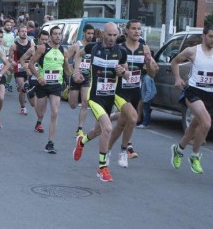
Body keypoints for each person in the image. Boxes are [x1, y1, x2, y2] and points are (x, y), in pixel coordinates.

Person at [170, 24, 213, 174]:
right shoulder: (192, 51)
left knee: (193, 127)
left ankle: (178, 149)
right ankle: (195, 155)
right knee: (206, 123)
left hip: (210, 94)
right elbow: (175, 62)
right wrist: (177, 78)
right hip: (193, 91)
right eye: (210, 36)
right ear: (203, 36)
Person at [72, 23, 130, 182]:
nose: (112, 38)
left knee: (98, 131)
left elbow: (128, 76)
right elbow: (78, 55)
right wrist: (76, 71)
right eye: (109, 35)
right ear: (103, 34)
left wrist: (123, 72)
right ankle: (102, 168)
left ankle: (81, 141)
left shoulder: (121, 52)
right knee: (107, 128)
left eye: (114, 35)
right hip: (95, 96)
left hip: (110, 96)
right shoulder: (93, 47)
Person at [107, 20, 158, 167]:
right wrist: (121, 71)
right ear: (127, 31)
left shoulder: (144, 48)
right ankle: (124, 151)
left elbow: (152, 74)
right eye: (134, 29)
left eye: (139, 29)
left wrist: (148, 63)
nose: (137, 31)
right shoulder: (120, 48)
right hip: (120, 90)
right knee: (134, 118)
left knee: (122, 123)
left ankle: (107, 151)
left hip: (135, 90)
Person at [29, 26, 70, 154]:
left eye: (60, 34)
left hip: (56, 85)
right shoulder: (43, 48)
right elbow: (30, 64)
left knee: (55, 112)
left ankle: (50, 143)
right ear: (51, 36)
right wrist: (39, 77)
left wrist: (74, 76)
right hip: (42, 84)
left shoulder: (64, 50)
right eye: (55, 34)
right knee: (40, 113)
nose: (58, 36)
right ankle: (33, 96)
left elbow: (67, 69)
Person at [18, 30, 50, 132]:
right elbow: (22, 60)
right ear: (38, 39)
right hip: (33, 78)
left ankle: (39, 123)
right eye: (42, 39)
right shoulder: (33, 49)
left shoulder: (50, 50)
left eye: (46, 39)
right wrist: (26, 69)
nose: (44, 41)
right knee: (33, 104)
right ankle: (26, 91)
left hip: (44, 79)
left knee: (41, 104)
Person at [67, 24, 95, 137]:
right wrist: (73, 72)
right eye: (88, 33)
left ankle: (80, 129)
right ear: (84, 33)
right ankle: (69, 90)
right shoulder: (76, 46)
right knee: (73, 105)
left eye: (92, 33)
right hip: (75, 77)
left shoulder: (94, 46)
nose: (90, 36)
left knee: (85, 102)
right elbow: (65, 60)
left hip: (87, 77)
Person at [9, 25, 35, 115]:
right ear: (18, 33)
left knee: (23, 89)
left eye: (25, 31)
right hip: (19, 69)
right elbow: (10, 58)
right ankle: (23, 108)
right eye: (22, 31)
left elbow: (35, 55)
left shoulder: (31, 44)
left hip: (29, 68)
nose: (24, 33)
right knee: (23, 86)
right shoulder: (14, 45)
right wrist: (12, 62)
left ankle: (22, 90)